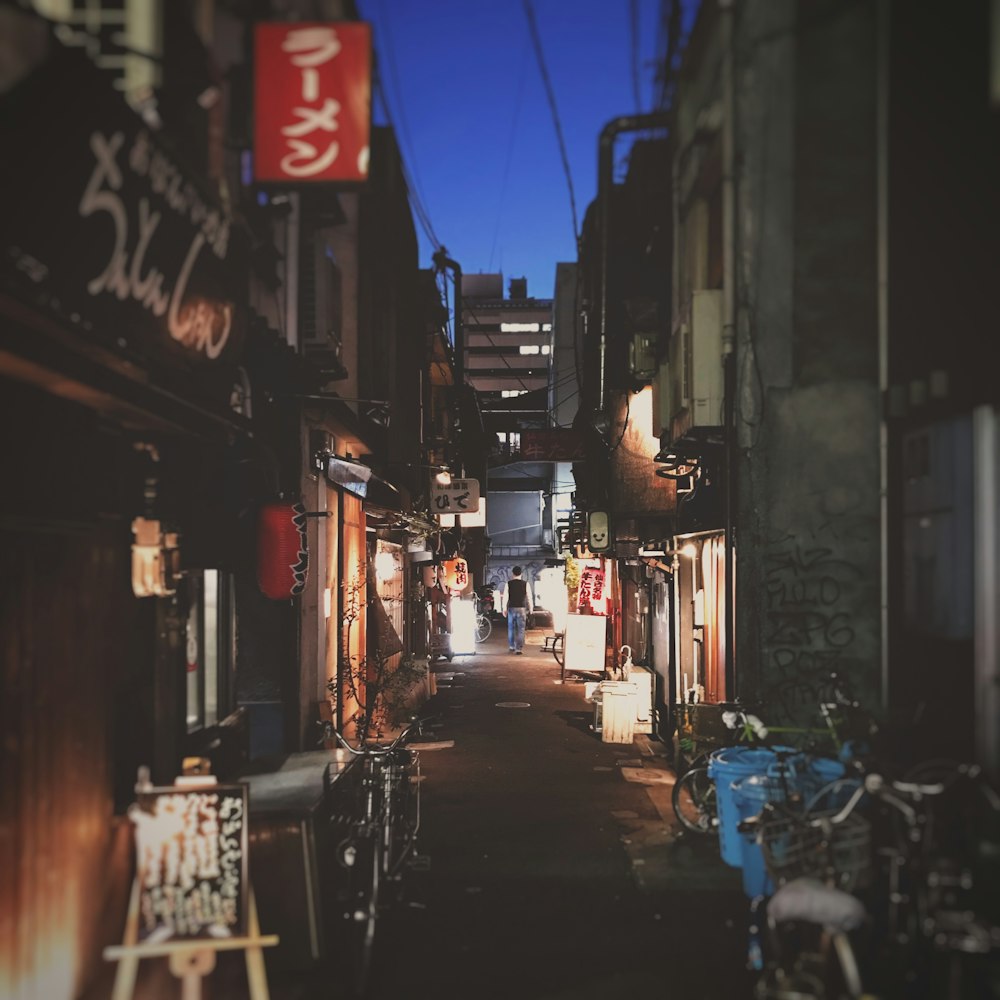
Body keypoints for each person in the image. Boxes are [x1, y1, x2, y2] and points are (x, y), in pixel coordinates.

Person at [500, 565, 533, 654]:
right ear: (521, 574)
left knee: (511, 628)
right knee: (521, 629)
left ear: (513, 574)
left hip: (511, 608)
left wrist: (504, 608)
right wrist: (531, 608)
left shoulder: (508, 584)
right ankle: (518, 649)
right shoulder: (526, 584)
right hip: (522, 608)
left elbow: (505, 597)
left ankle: (511, 646)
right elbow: (529, 597)